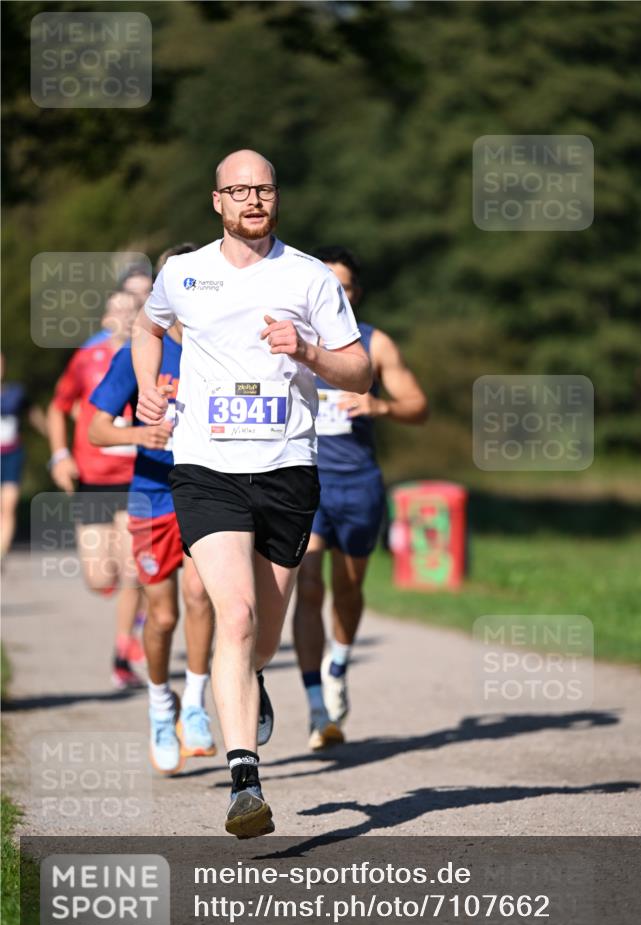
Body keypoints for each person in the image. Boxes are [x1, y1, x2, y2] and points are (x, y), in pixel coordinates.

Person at [131, 149, 371, 838]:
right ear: (217, 201)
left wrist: (307, 352)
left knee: (261, 634)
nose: (251, 201)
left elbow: (355, 371)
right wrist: (149, 382)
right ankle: (245, 782)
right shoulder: (184, 272)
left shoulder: (308, 279)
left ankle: (251, 679)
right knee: (231, 615)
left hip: (288, 468)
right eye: (238, 191)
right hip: (206, 468)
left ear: (276, 197)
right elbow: (148, 325)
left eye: (262, 189)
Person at [293, 246, 428, 747]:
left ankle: (338, 664)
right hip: (304, 482)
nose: (335, 291)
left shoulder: (375, 343)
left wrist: (380, 406)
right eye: (327, 283)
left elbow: (419, 407)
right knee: (309, 587)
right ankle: (314, 707)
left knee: (348, 589)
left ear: (355, 293)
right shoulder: (291, 339)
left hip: (359, 484)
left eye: (344, 286)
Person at [89, 243, 217, 775]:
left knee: (201, 594)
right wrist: (144, 432)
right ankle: (161, 707)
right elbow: (96, 429)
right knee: (162, 615)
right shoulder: (141, 351)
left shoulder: (223, 346)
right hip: (152, 495)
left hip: (211, 491)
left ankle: (196, 704)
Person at [47, 290, 145, 690]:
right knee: (99, 577)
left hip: (135, 476)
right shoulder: (87, 358)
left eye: (131, 309)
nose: (123, 316)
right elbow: (59, 405)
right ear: (105, 317)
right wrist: (59, 456)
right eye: (117, 309)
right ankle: (135, 616)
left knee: (133, 572)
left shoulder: (149, 356)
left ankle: (123, 651)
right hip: (92, 478)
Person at [0, 353, 47, 558]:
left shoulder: (16, 393)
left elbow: (34, 415)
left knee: (8, 505)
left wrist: (53, 434)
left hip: (11, 456)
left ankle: (1, 553)